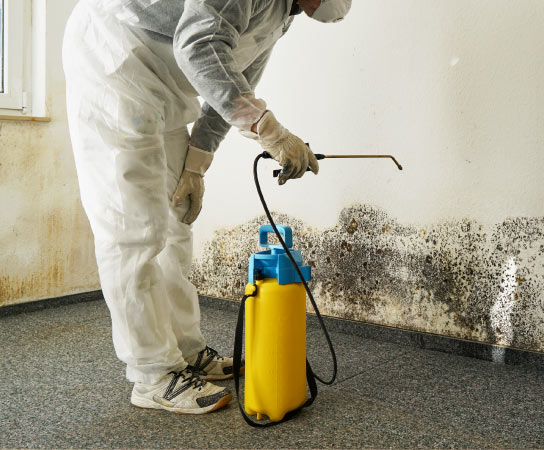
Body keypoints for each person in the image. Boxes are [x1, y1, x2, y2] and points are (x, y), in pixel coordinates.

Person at [62, 0, 351, 415]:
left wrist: (197, 162)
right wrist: (270, 131)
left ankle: (186, 349)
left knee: (178, 222)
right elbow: (198, 46)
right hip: (116, 62)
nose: (305, 10)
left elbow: (234, 80)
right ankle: (152, 374)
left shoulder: (282, 14)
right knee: (134, 230)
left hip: (164, 84)